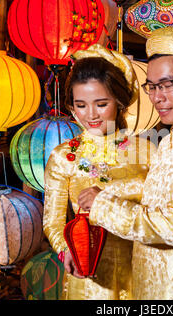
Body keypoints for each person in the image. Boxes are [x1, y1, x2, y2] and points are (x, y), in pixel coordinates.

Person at [78, 27, 173, 300]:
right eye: (151, 86)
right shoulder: (170, 141)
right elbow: (154, 197)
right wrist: (106, 190)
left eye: (167, 84)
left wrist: (104, 204)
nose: (156, 97)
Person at [43, 44, 156, 300]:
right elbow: (53, 220)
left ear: (119, 100)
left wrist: (107, 191)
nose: (91, 115)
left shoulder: (147, 152)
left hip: (139, 267)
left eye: (101, 103)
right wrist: (66, 250)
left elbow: (161, 208)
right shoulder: (63, 157)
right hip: (89, 278)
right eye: (81, 105)